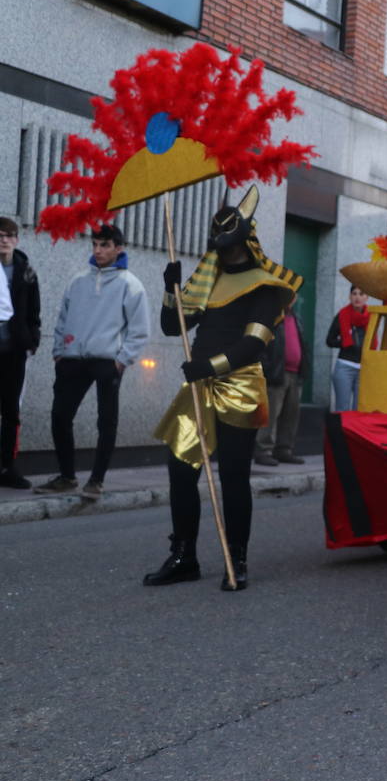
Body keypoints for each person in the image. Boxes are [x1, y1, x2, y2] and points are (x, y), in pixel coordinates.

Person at [143, 188, 299, 591]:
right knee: (180, 468)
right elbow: (170, 326)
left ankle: (238, 559)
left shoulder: (266, 286)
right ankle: (184, 556)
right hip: (199, 383)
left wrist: (206, 366)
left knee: (233, 475)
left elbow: (254, 344)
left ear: (244, 239)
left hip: (240, 385)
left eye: (230, 244)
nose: (224, 252)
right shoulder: (207, 278)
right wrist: (169, 289)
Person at [36, 224, 149, 501]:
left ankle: (96, 481)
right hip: (73, 359)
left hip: (107, 361)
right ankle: (67, 476)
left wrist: (122, 361)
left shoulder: (130, 284)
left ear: (118, 249)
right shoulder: (78, 281)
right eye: (95, 245)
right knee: (60, 416)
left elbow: (140, 329)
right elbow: (63, 318)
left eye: (105, 245)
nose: (98, 250)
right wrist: (59, 352)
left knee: (106, 421)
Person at [0, 217, 40, 489]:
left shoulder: (26, 271)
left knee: (11, 410)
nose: (4, 240)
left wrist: (32, 337)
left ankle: (8, 467)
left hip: (14, 351)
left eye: (9, 235)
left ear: (16, 239)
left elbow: (34, 309)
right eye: (0, 235)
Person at [256, 293, 307, 466]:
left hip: (295, 373)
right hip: (277, 372)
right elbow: (261, 345)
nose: (291, 298)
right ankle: (263, 450)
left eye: (293, 295)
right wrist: (267, 369)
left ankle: (284, 449)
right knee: (271, 413)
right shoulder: (272, 317)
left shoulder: (296, 318)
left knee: (291, 414)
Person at [325, 285, 368, 412]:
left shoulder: (371, 316)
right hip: (344, 366)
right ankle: (340, 432)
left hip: (364, 368)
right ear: (350, 296)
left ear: (367, 297)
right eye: (354, 293)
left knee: (359, 409)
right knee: (342, 409)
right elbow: (329, 341)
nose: (357, 297)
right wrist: (345, 342)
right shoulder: (342, 315)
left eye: (361, 294)